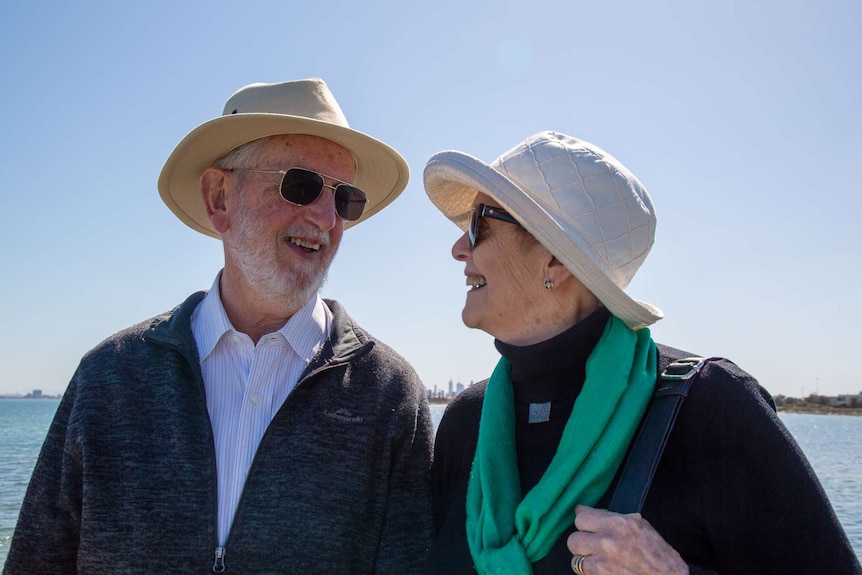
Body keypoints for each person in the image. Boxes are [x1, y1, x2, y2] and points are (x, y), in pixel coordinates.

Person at [3, 78, 434, 574]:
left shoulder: (389, 397)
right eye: (301, 184)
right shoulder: (107, 380)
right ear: (219, 198)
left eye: (344, 199)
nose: (324, 216)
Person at [422, 130, 861, 574]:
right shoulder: (465, 424)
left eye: (480, 223)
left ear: (554, 258)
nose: (459, 247)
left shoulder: (711, 409)